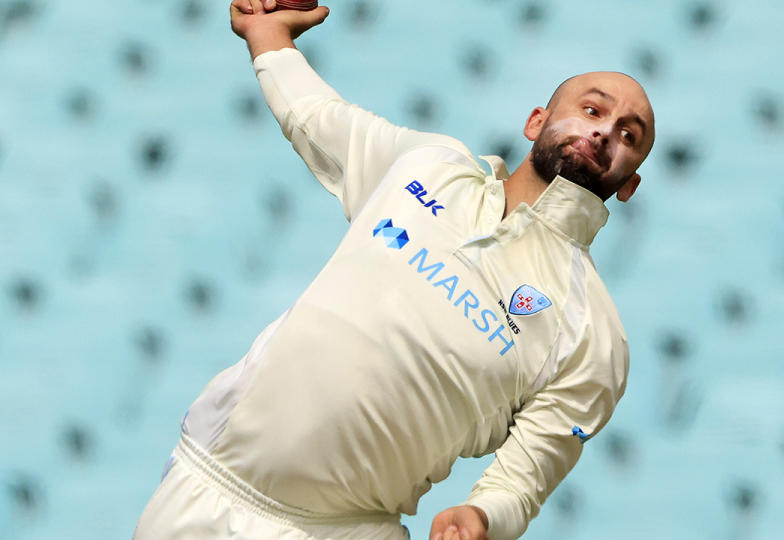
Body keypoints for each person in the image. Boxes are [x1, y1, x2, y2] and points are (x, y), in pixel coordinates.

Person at [134, 2, 655, 539]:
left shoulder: (592, 335)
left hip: (346, 528)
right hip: (210, 485)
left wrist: (480, 518)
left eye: (628, 136)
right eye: (592, 111)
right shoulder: (432, 164)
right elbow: (316, 115)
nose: (604, 133)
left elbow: (524, 479)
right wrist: (265, 33)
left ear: (628, 186)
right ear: (535, 122)